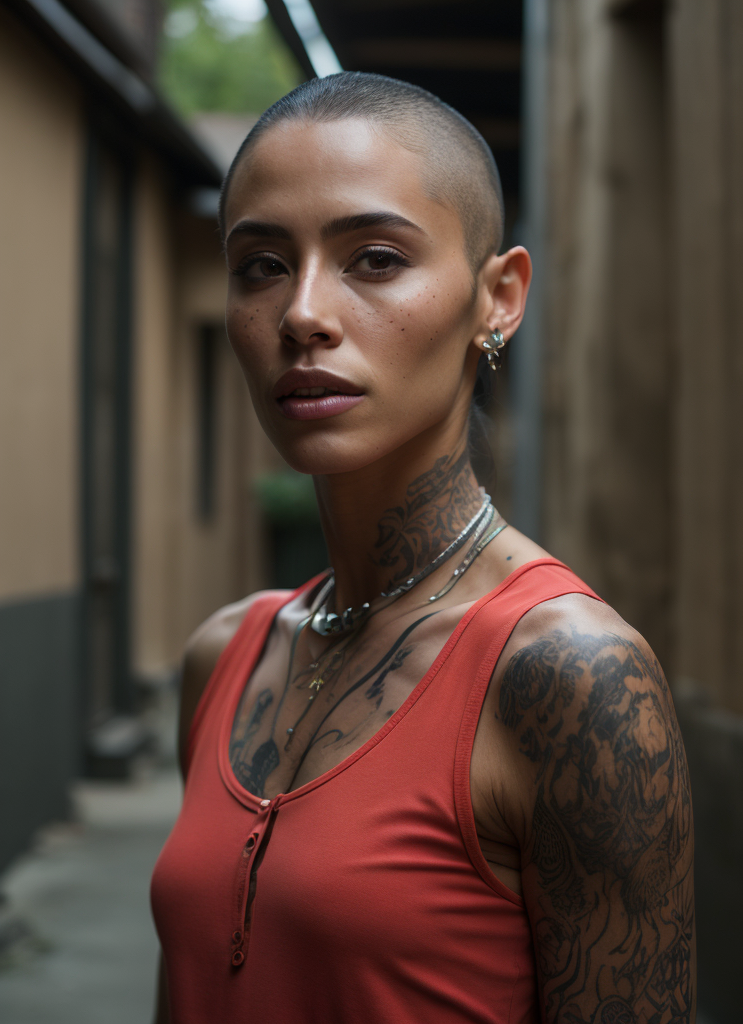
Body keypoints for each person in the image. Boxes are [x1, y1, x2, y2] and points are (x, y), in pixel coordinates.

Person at [151, 72, 695, 1023]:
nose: (302, 314)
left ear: (500, 298)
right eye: (262, 266)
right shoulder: (226, 657)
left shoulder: (570, 677)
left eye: (373, 259)